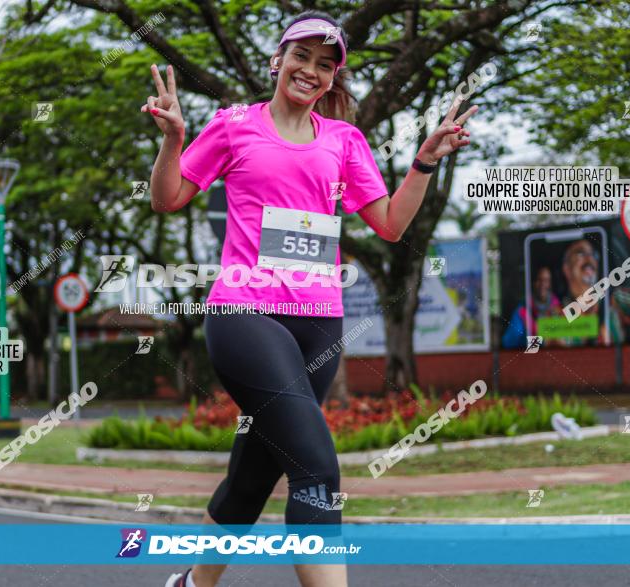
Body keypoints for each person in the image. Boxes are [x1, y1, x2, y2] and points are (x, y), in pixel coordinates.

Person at [144, 10, 476, 587]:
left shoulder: (345, 142)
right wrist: (174, 139)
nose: (311, 71)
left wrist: (423, 161)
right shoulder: (233, 125)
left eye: (326, 65)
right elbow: (167, 199)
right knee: (316, 468)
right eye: (302, 57)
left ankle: (191, 584)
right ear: (280, 59)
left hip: (318, 325)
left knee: (251, 481)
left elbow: (391, 224)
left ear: (332, 78)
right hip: (244, 315)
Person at [557, 238, 623, 346]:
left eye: (593, 254)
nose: (589, 258)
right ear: (567, 269)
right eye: (581, 253)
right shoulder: (556, 314)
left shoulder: (616, 299)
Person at [501, 266, 563, 349]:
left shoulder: (558, 308)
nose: (542, 284)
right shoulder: (522, 311)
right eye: (539, 280)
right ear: (533, 282)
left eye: (546, 280)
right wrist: (541, 342)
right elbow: (508, 343)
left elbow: (570, 339)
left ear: (551, 283)